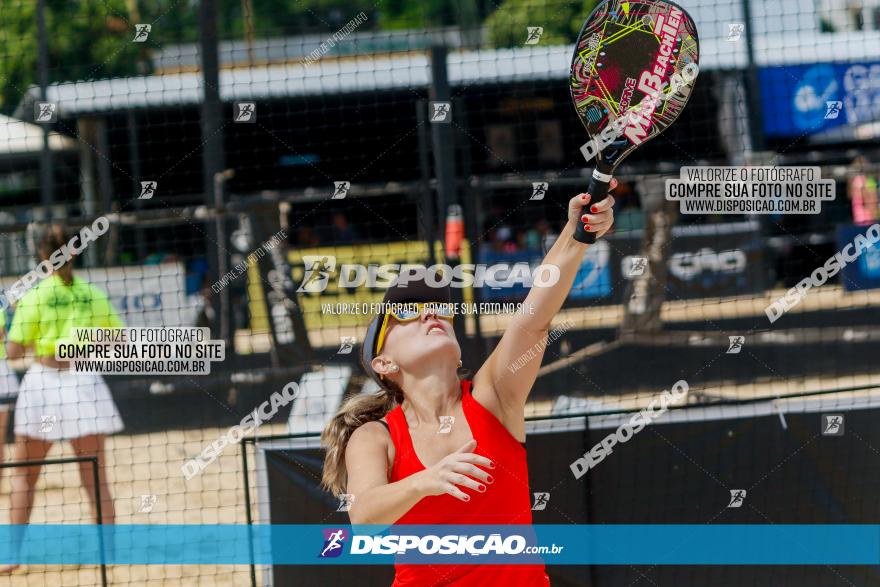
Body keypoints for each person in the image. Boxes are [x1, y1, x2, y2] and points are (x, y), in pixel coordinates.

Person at [321, 185, 616, 585]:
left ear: (459, 353)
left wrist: (576, 232)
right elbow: (363, 519)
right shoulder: (376, 436)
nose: (430, 314)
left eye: (438, 308)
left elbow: (534, 316)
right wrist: (427, 481)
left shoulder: (491, 398)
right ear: (384, 363)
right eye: (408, 312)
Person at [2, 225, 124, 573]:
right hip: (84, 381)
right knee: (96, 476)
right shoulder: (91, 292)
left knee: (25, 475)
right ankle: (109, 555)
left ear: (43, 256)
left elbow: (12, 352)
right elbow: (119, 340)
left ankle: (11, 556)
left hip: (43, 383)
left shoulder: (36, 295)